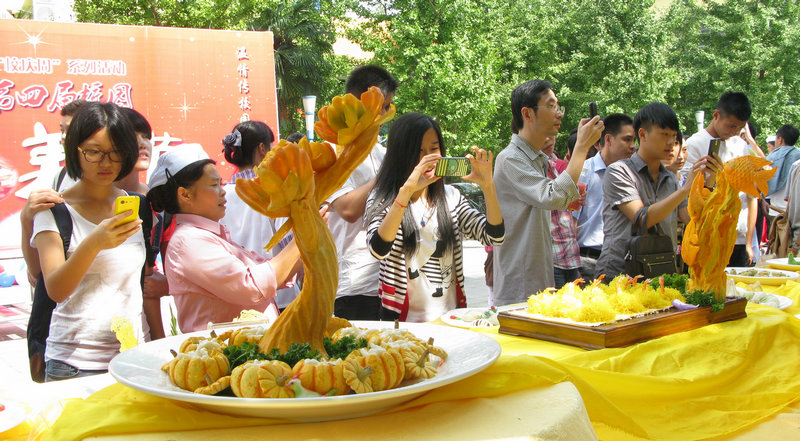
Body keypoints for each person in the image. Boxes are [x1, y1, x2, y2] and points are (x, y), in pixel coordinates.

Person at [31, 102, 147, 381]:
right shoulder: (55, 209)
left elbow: (139, 285)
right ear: (75, 150)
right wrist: (94, 243)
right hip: (74, 364)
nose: (106, 163)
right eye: (94, 152)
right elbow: (56, 289)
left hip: (134, 357)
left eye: (115, 152)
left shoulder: (137, 206)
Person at [146, 145, 303, 332]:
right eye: (213, 185)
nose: (222, 191)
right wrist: (302, 238)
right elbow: (251, 285)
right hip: (222, 355)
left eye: (220, 184)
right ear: (185, 194)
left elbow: (268, 270)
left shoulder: (207, 235)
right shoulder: (189, 242)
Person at [365, 113, 504, 322]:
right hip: (402, 323)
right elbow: (378, 250)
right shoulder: (382, 198)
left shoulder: (451, 197)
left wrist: (487, 185)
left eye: (434, 148)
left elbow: (494, 237)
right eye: (419, 151)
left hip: (450, 319)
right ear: (401, 154)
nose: (428, 158)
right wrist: (406, 192)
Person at [492, 79, 603, 305]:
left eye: (558, 106)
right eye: (551, 106)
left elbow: (557, 199)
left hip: (541, 278)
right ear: (528, 114)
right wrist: (581, 146)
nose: (559, 114)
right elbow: (552, 196)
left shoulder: (538, 159)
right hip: (520, 284)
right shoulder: (510, 158)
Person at [595, 103, 717, 279]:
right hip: (620, 275)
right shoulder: (618, 171)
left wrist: (708, 184)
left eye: (674, 136)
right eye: (664, 134)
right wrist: (685, 190)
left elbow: (695, 222)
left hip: (658, 275)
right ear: (643, 134)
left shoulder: (670, 180)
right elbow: (643, 218)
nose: (671, 143)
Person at [326, 65, 398, 320]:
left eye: (389, 106)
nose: (386, 113)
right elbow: (347, 209)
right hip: (353, 284)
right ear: (358, 101)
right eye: (383, 105)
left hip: (388, 281)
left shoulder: (379, 151)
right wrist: (387, 174)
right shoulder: (332, 150)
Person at [219, 121, 301, 311]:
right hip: (279, 295)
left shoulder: (220, 196)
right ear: (262, 149)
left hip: (239, 296)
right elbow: (291, 241)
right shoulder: (272, 192)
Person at [680, 92, 759, 266]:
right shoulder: (694, 144)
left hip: (737, 236)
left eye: (740, 128)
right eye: (731, 126)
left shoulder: (740, 146)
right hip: (706, 237)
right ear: (716, 115)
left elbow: (750, 196)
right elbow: (686, 194)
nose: (734, 132)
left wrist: (749, 241)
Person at [574, 113, 635, 279]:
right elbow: (570, 222)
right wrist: (573, 267)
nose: (633, 146)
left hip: (623, 263)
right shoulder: (583, 172)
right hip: (588, 262)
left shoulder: (632, 175)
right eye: (627, 140)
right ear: (608, 139)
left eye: (634, 140)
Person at [542, 136, 582, 288]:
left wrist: (573, 200)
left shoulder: (556, 163)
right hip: (551, 258)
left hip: (569, 253)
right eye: (546, 133)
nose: (550, 139)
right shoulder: (529, 166)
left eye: (553, 134)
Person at [765, 124, 800, 216]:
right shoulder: (798, 156)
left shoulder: (772, 157)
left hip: (776, 210)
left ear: (780, 139)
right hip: (795, 211)